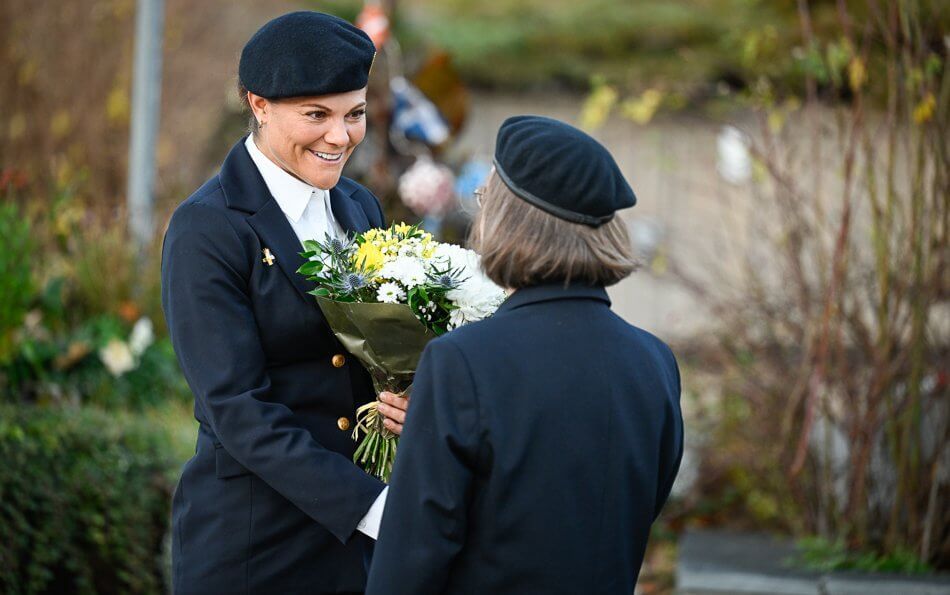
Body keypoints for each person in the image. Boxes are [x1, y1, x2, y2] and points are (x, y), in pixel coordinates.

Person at [366, 115, 684, 595]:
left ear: (509, 222)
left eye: (484, 200)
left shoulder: (462, 363)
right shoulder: (655, 362)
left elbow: (410, 562)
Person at [161, 11, 407, 594]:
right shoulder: (207, 228)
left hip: (355, 550)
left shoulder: (359, 207)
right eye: (316, 115)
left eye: (355, 114)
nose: (340, 136)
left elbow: (366, 358)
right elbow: (238, 408)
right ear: (258, 104)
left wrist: (403, 396)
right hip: (254, 546)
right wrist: (375, 509)